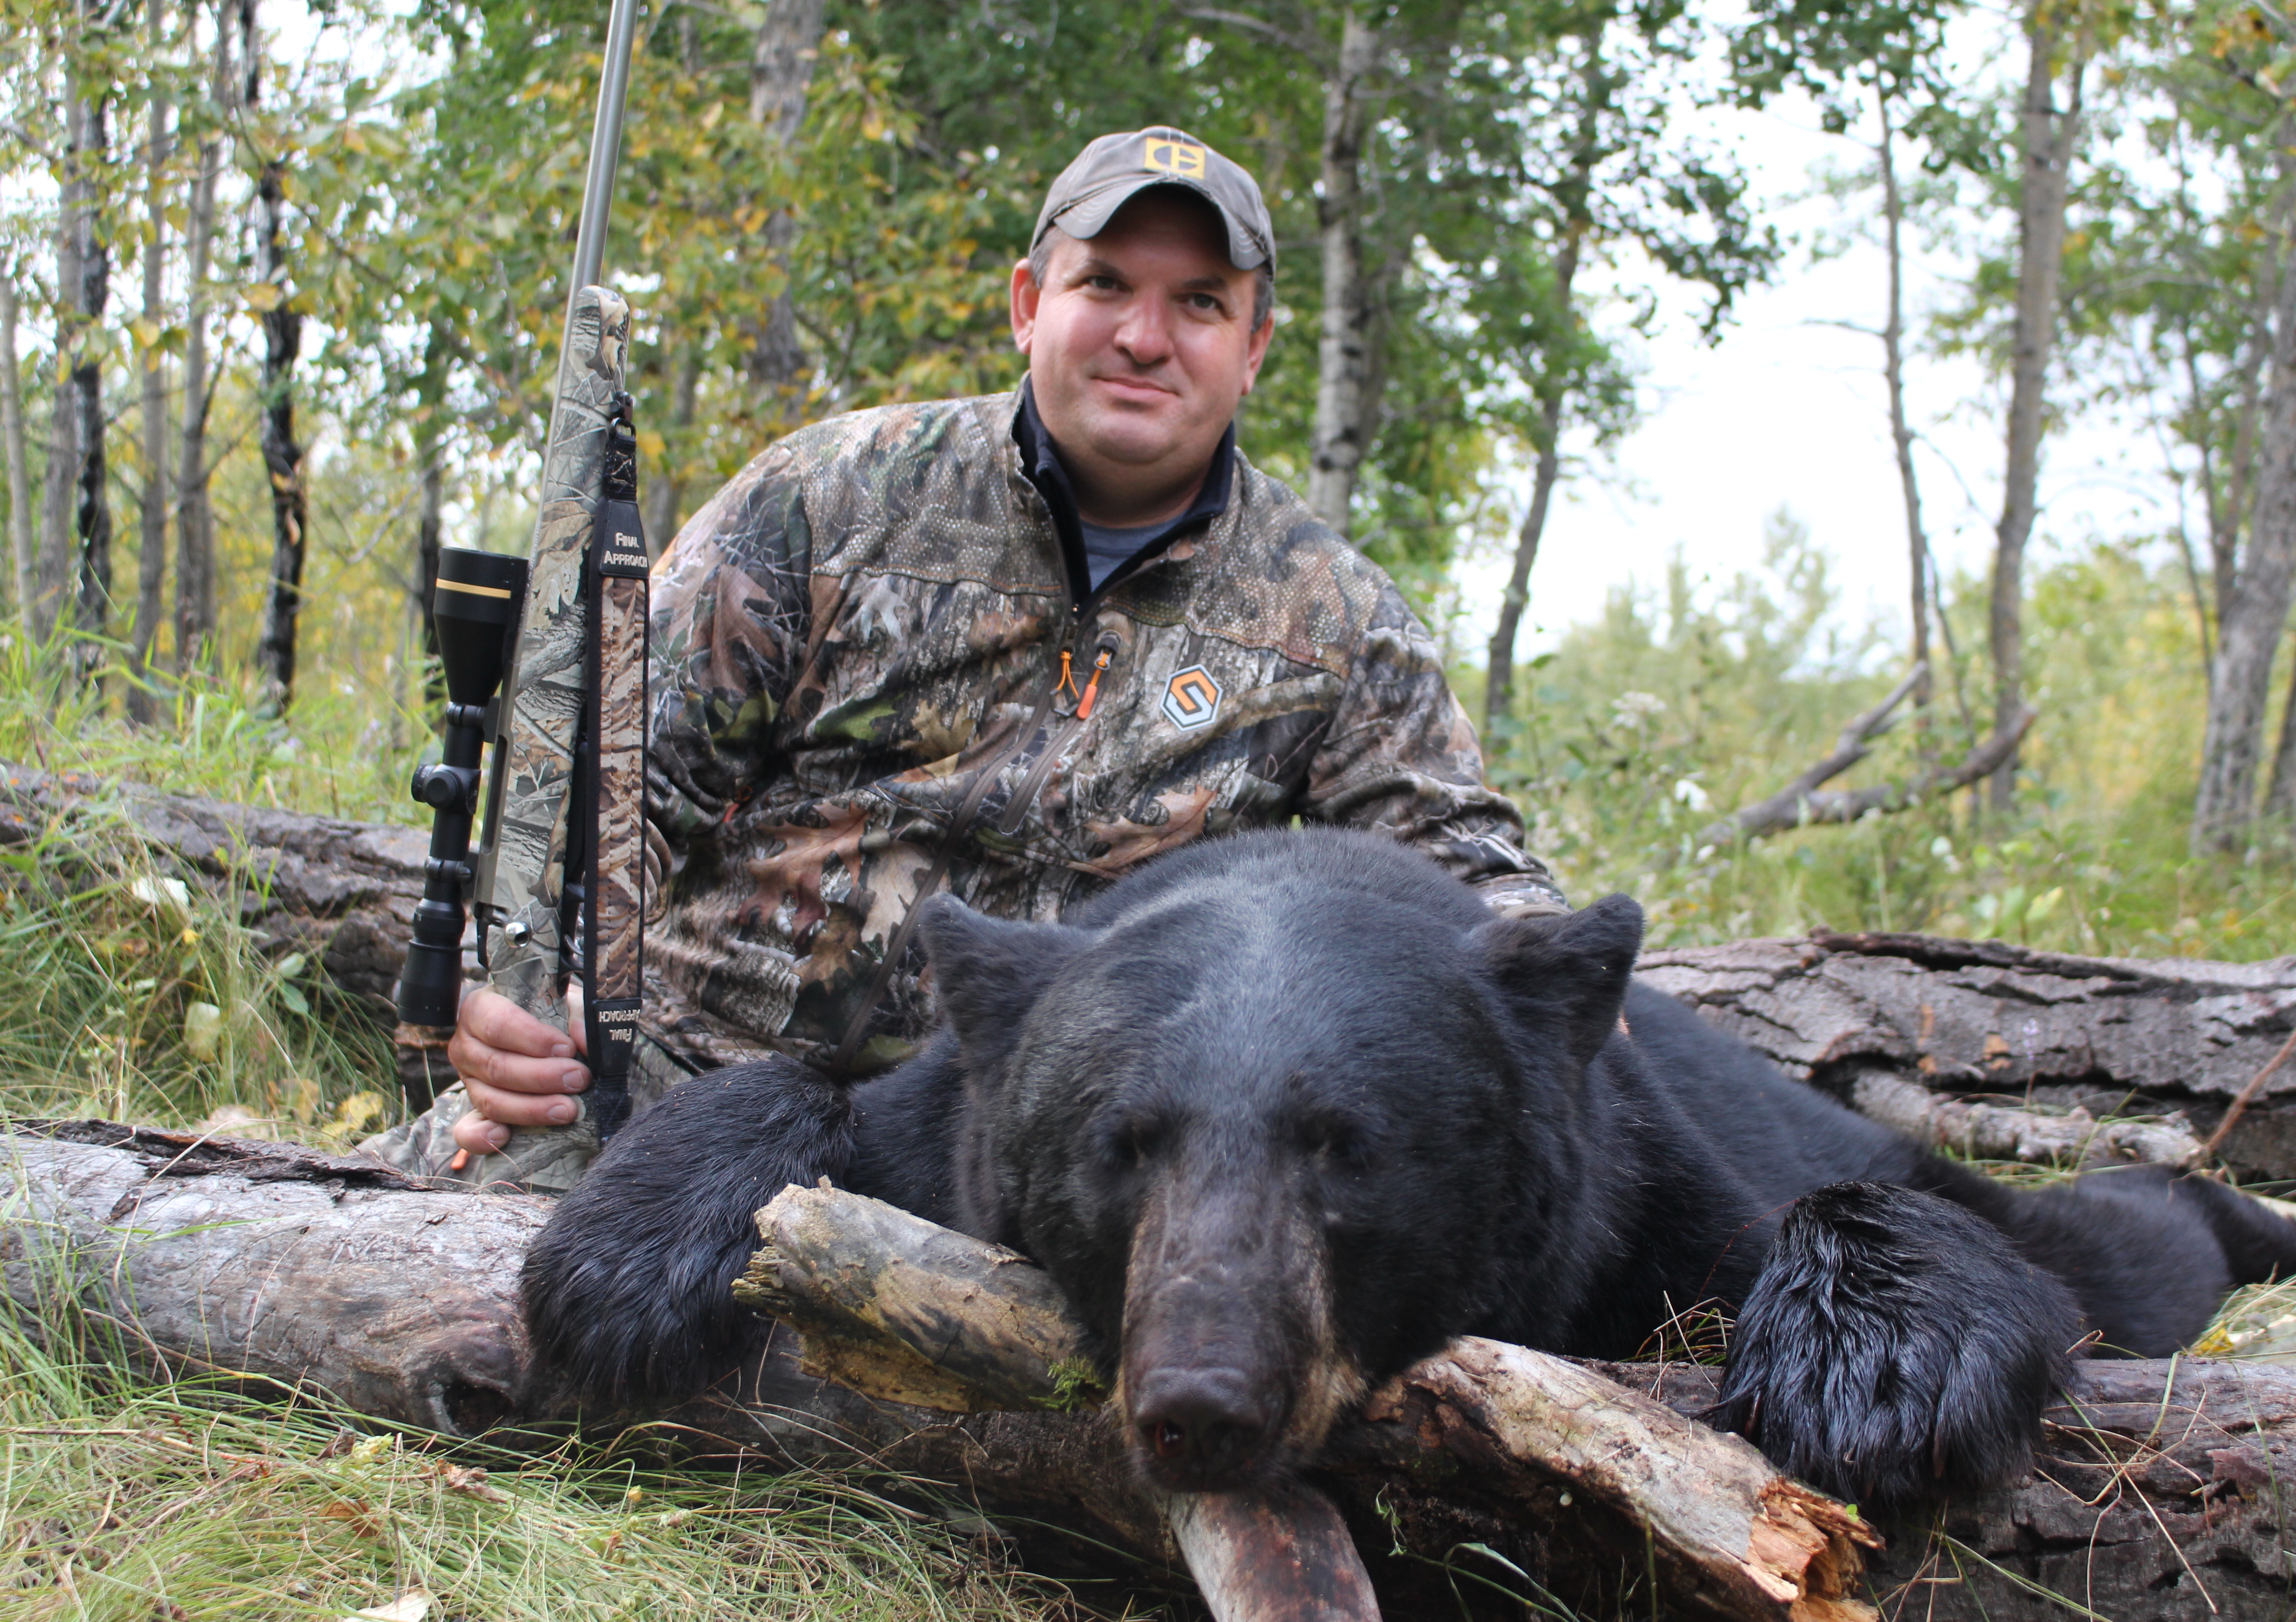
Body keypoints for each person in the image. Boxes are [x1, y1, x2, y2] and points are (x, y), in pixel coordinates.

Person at [366, 125, 1564, 1191]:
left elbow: (1466, 867)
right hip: (688, 1090)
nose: (1145, 337)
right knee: (414, 1273)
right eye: (1104, 283)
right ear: (1029, 304)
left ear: (1253, 348)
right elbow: (606, 790)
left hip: (1034, 1158)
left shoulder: (1331, 615)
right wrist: (525, 1002)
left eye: (1200, 303)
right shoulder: (830, 497)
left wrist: (1566, 983)